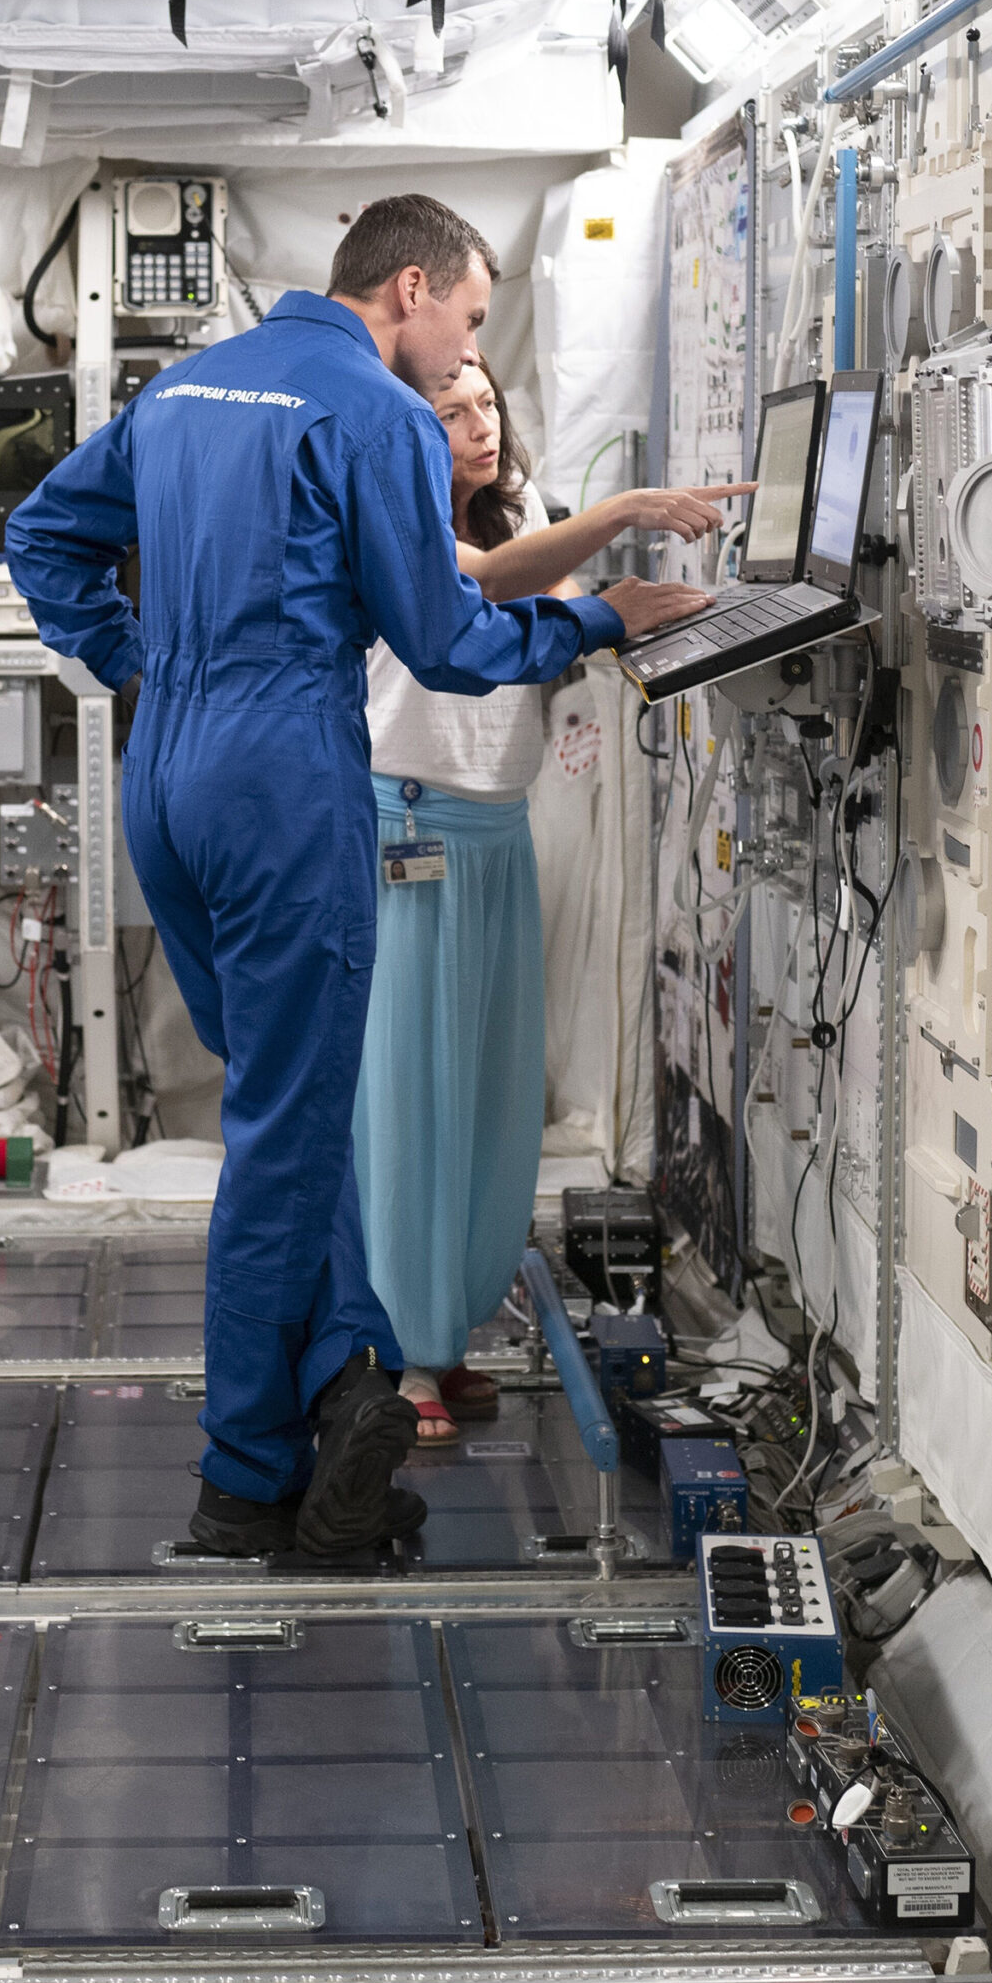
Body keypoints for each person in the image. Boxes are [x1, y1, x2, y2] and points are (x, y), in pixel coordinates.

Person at [4, 194, 711, 1560]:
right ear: (409, 288)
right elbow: (447, 639)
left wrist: (132, 659)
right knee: (282, 1136)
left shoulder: (184, 388)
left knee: (291, 1106)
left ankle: (348, 1377)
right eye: (469, 318)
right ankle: (243, 1477)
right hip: (281, 776)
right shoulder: (375, 415)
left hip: (167, 768)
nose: (465, 353)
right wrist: (597, 618)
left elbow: (41, 533)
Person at [354, 356, 751, 1438]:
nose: (478, 424)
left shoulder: (524, 517)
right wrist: (624, 514)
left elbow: (577, 608)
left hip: (491, 831)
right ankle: (398, 1354)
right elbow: (483, 581)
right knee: (408, 1104)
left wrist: (706, 616)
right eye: (450, 410)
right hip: (409, 829)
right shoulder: (397, 530)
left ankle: (445, 1330)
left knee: (489, 1101)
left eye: (486, 402)